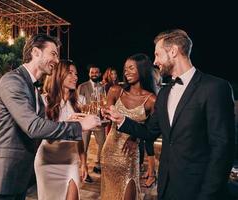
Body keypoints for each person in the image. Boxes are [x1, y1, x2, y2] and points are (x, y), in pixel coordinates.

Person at [103, 29, 235, 200]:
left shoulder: (214, 88)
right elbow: (150, 132)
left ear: (173, 51)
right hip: (166, 187)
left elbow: (223, 150)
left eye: (158, 55)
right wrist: (122, 120)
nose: (155, 61)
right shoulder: (164, 93)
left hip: (198, 189)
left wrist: (208, 194)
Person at [0, 34, 100, 200]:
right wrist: (79, 126)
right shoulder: (13, 81)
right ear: (35, 52)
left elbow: (42, 127)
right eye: (53, 54)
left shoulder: (32, 88)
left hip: (18, 176)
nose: (56, 60)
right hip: (1, 177)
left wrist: (68, 122)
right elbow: (33, 127)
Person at [101, 53, 156, 200]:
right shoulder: (115, 91)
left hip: (130, 153)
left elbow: (151, 131)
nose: (126, 72)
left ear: (142, 69)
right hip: (110, 149)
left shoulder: (151, 100)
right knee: (109, 193)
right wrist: (103, 115)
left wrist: (135, 138)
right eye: (125, 69)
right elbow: (106, 120)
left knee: (128, 192)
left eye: (131, 68)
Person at [34, 60, 88, 200]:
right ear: (59, 75)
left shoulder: (80, 102)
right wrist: (69, 123)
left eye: (76, 74)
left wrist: (83, 162)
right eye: (70, 73)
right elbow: (45, 135)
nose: (75, 77)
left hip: (70, 161)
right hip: (47, 161)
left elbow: (79, 136)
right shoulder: (43, 101)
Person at [77, 64, 106, 181]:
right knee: (83, 146)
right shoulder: (82, 86)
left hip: (98, 121)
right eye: (92, 72)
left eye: (96, 72)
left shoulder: (102, 87)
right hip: (85, 121)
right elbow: (79, 104)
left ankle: (98, 165)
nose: (94, 74)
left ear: (99, 74)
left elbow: (104, 102)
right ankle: (85, 171)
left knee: (103, 145)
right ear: (89, 74)